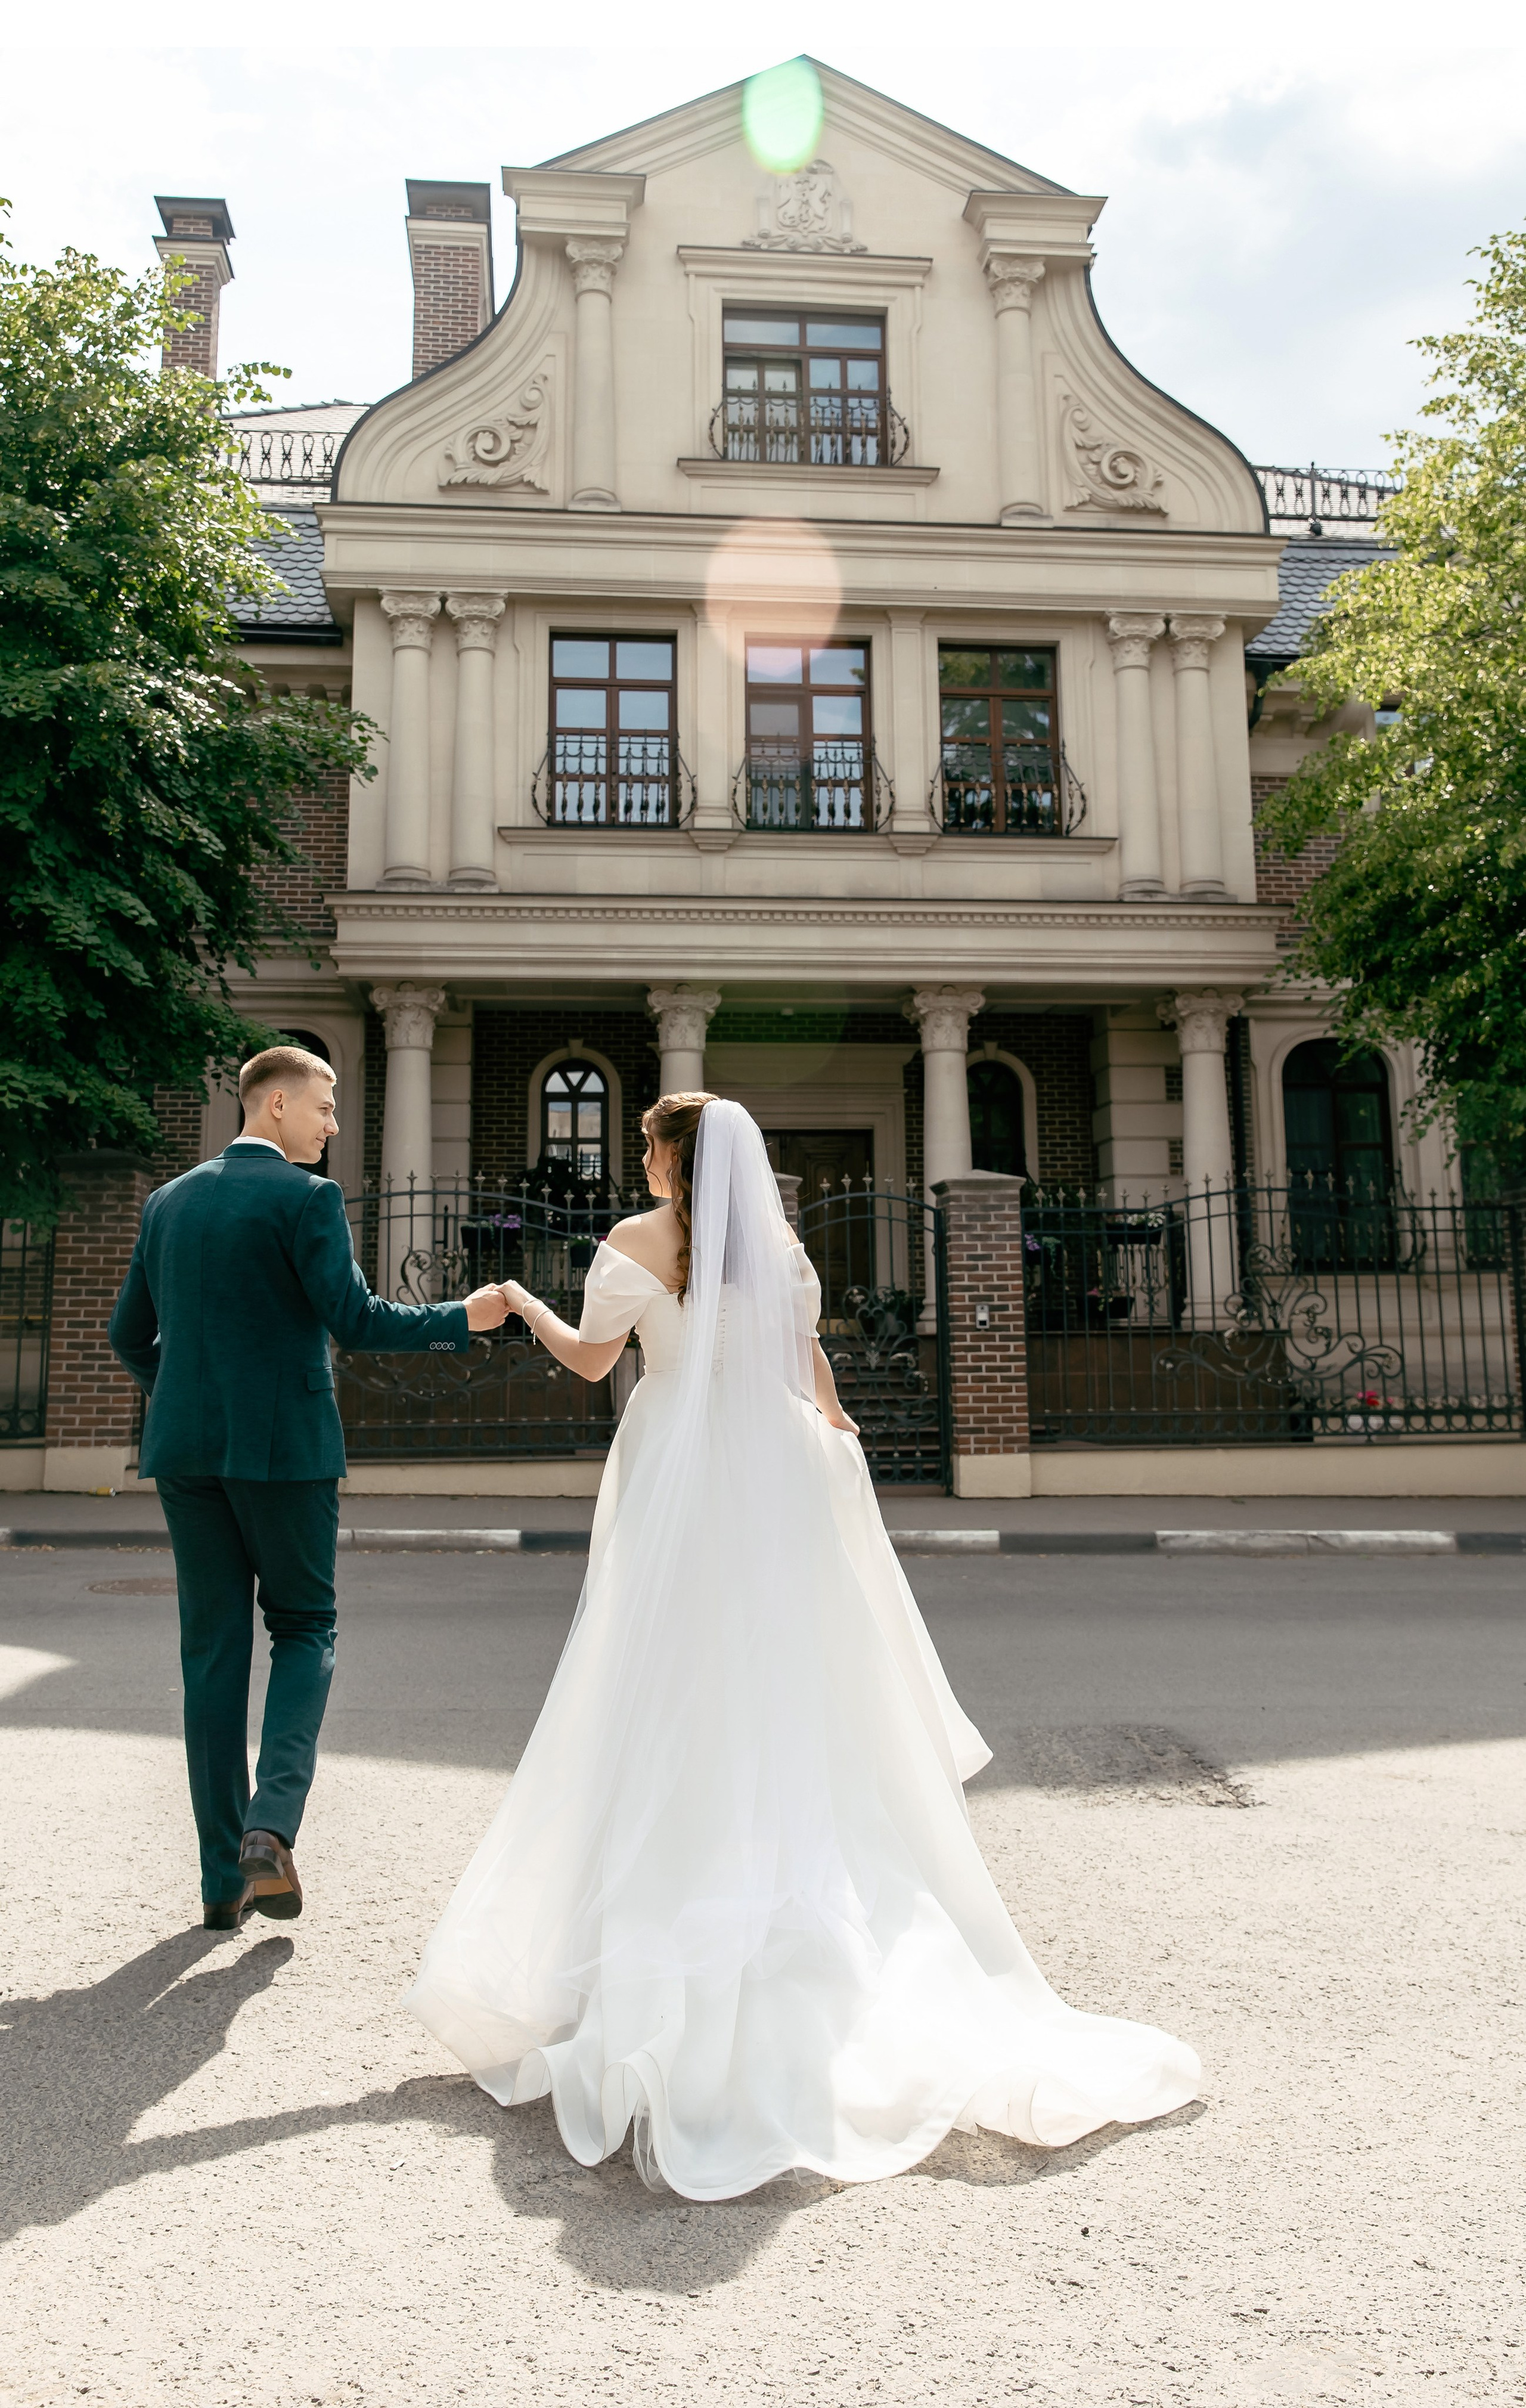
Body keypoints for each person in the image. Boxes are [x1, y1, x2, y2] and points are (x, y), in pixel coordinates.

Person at [405, 1093, 1199, 2199]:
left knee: (667, 1684)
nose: (638, 1159)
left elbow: (594, 1364)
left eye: (647, 1144)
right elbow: (806, 1363)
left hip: (682, 1470)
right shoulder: (777, 1254)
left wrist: (517, 1303)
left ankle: (651, 1929)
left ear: (678, 1162)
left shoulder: (634, 1245)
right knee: (781, 1683)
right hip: (769, 1468)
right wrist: (837, 1428)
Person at [109, 1045, 510, 1930]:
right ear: (277, 1103)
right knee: (304, 1627)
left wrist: (181, 1397)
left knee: (211, 1655)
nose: (334, 1125)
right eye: (326, 1108)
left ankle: (222, 1885)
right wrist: (462, 1320)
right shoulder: (307, 1198)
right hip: (285, 1449)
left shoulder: (167, 1202)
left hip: (184, 1454)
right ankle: (270, 1826)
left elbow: (128, 1334)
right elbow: (358, 1321)